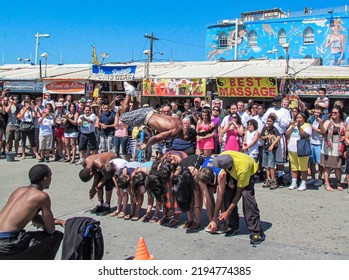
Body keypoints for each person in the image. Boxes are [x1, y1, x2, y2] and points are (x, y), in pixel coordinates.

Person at [0, 164, 65, 260]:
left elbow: (32, 217)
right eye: (50, 175)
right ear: (45, 179)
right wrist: (51, 223)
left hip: (4, 237)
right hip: (7, 241)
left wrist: (57, 221)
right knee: (54, 237)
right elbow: (50, 229)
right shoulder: (42, 196)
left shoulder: (19, 190)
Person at [212, 152, 265, 245]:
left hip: (249, 170)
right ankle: (233, 226)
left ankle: (256, 231)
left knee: (247, 197)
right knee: (227, 194)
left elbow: (238, 193)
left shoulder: (242, 170)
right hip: (234, 170)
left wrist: (227, 211)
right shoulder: (224, 155)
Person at [119, 82, 189, 151]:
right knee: (123, 117)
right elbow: (155, 138)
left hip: (151, 112)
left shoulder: (178, 121)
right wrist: (146, 146)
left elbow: (161, 129)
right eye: (184, 139)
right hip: (146, 117)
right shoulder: (175, 132)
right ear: (185, 136)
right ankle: (129, 92)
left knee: (133, 113)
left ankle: (134, 95)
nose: (180, 139)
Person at [262, 95, 291, 184]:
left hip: (280, 136)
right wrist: (269, 117)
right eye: (274, 101)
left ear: (281, 102)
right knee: (269, 157)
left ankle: (280, 176)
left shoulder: (285, 111)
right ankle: (270, 178)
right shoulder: (270, 110)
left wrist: (277, 118)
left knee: (280, 158)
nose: (276, 103)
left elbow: (287, 123)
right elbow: (263, 120)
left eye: (277, 101)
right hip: (270, 135)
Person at [319, 105, 346, 191]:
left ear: (339, 114)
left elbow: (346, 133)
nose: (333, 114)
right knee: (327, 166)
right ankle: (327, 183)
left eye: (335, 113)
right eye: (332, 112)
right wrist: (320, 123)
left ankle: (338, 183)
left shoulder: (343, 123)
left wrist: (344, 137)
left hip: (338, 147)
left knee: (338, 167)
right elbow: (323, 131)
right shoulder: (328, 121)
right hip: (328, 146)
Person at [285, 113, 312, 191]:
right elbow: (287, 134)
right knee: (294, 167)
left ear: (304, 118)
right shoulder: (293, 125)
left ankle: (303, 183)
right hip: (292, 148)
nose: (298, 119)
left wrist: (299, 127)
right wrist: (292, 127)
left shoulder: (307, 126)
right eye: (297, 117)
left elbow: (304, 135)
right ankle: (294, 182)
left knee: (303, 167)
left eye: (300, 118)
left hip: (301, 149)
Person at [260, 115, 281, 190]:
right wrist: (267, 137)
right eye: (268, 121)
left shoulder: (274, 129)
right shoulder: (265, 128)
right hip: (265, 148)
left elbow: (278, 137)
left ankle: (273, 180)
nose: (268, 123)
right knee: (266, 165)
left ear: (273, 122)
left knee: (271, 165)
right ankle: (268, 179)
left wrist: (272, 145)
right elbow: (261, 137)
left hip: (271, 149)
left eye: (270, 121)